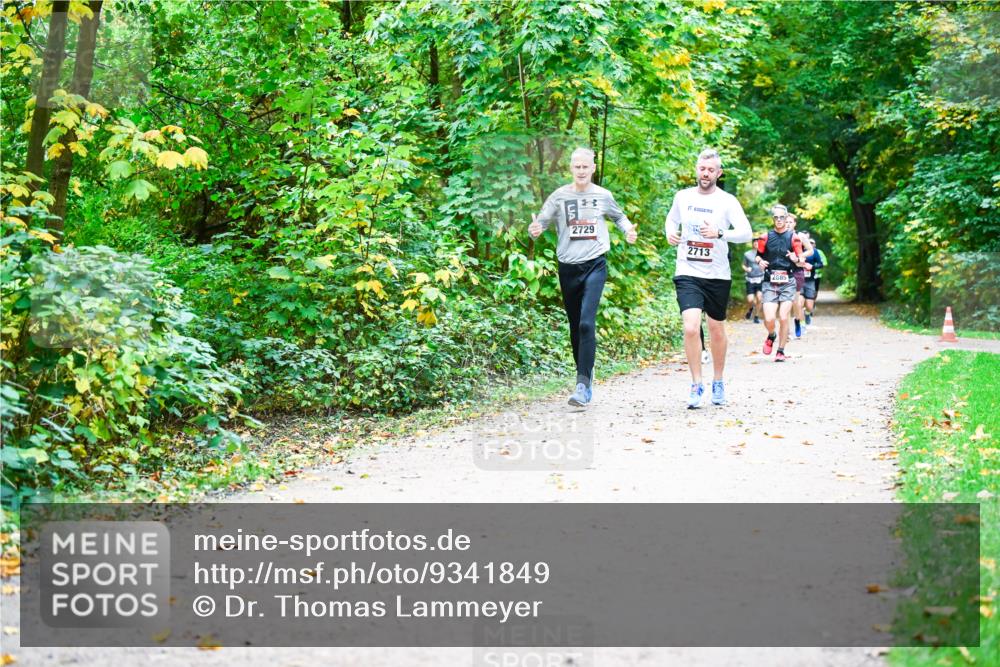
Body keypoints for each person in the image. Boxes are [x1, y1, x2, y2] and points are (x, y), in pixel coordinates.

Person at [529, 147, 637, 407]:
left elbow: (619, 217)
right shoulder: (559, 196)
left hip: (595, 264)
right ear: (571, 168)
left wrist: (628, 231)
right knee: (576, 326)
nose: (580, 171)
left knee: (587, 323)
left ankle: (582, 385)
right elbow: (541, 222)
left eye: (585, 166)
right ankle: (585, 372)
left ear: (593, 168)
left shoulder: (603, 195)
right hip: (568, 266)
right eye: (576, 166)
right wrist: (536, 229)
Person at [665, 148, 752, 408]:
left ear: (718, 173)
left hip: (717, 274)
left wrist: (720, 233)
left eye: (711, 170)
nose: (706, 173)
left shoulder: (727, 201)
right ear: (696, 169)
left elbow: (746, 232)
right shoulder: (683, 197)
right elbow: (671, 220)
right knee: (691, 327)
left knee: (716, 328)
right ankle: (696, 384)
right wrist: (670, 232)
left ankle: (718, 380)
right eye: (702, 169)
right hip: (687, 272)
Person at [755, 204, 803, 362]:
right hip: (770, 282)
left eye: (782, 217)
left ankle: (781, 351)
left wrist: (796, 259)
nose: (779, 220)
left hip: (788, 281)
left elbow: (801, 259)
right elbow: (758, 255)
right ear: (773, 219)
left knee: (783, 317)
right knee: (769, 319)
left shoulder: (794, 238)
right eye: (776, 217)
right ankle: (771, 335)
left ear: (786, 217)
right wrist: (760, 261)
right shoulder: (765, 237)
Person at [785, 213, 807, 338]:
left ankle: (797, 320)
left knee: (795, 302)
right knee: (785, 302)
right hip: (783, 272)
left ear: (795, 224)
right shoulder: (779, 236)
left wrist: (800, 257)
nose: (788, 224)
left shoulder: (800, 236)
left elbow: (810, 250)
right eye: (786, 222)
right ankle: (786, 331)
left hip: (797, 270)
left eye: (790, 222)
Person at [801, 236, 824, 323]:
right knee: (799, 303)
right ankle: (800, 322)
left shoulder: (814, 252)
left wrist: (812, 266)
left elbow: (820, 264)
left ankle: (807, 313)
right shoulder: (797, 250)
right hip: (798, 280)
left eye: (811, 243)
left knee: (809, 306)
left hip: (810, 281)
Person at [741, 238, 764, 323]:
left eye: (758, 242)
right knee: (750, 300)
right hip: (750, 279)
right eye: (755, 242)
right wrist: (747, 269)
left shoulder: (764, 253)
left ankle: (756, 316)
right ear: (752, 244)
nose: (756, 243)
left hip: (761, 278)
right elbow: (743, 265)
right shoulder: (747, 254)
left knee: (759, 298)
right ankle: (751, 308)